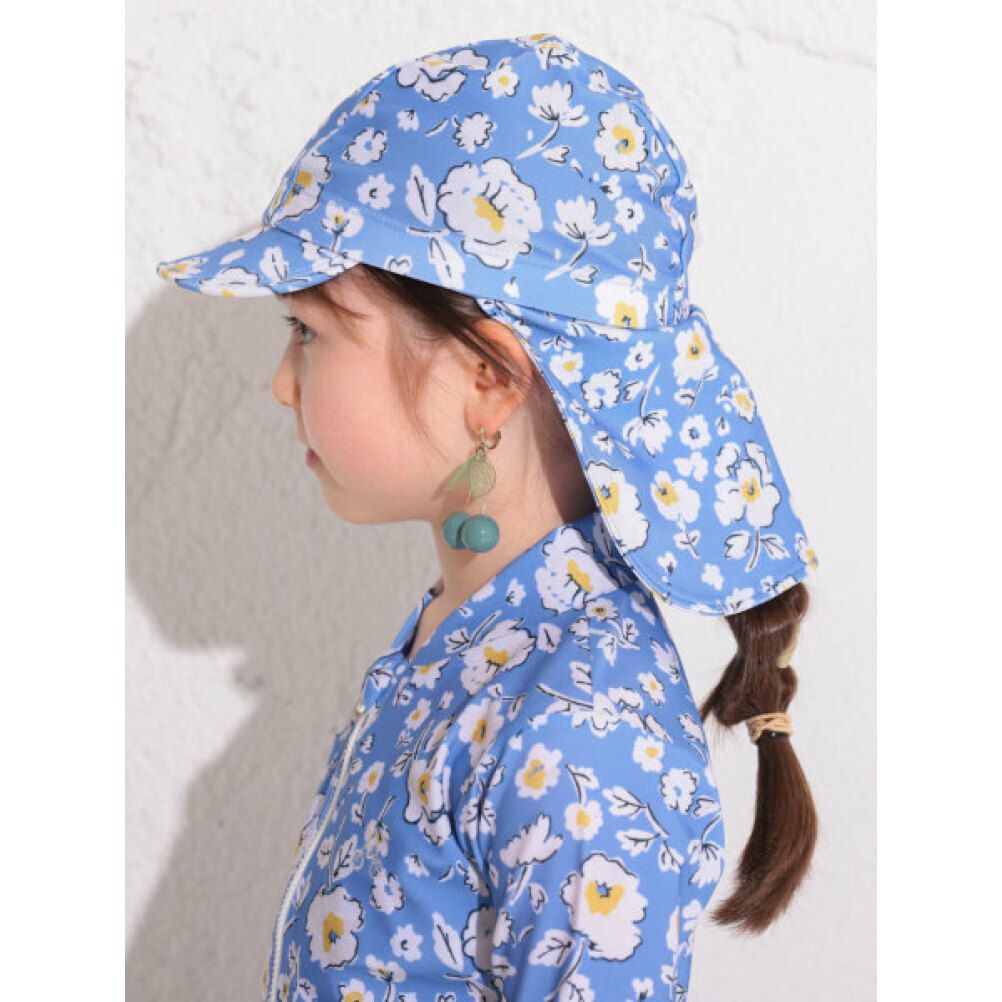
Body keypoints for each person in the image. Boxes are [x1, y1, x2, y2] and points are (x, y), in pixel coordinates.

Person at [155, 31, 820, 1002]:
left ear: (487, 378)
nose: (280, 384)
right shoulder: (476, 633)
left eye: (309, 331)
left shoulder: (578, 727)